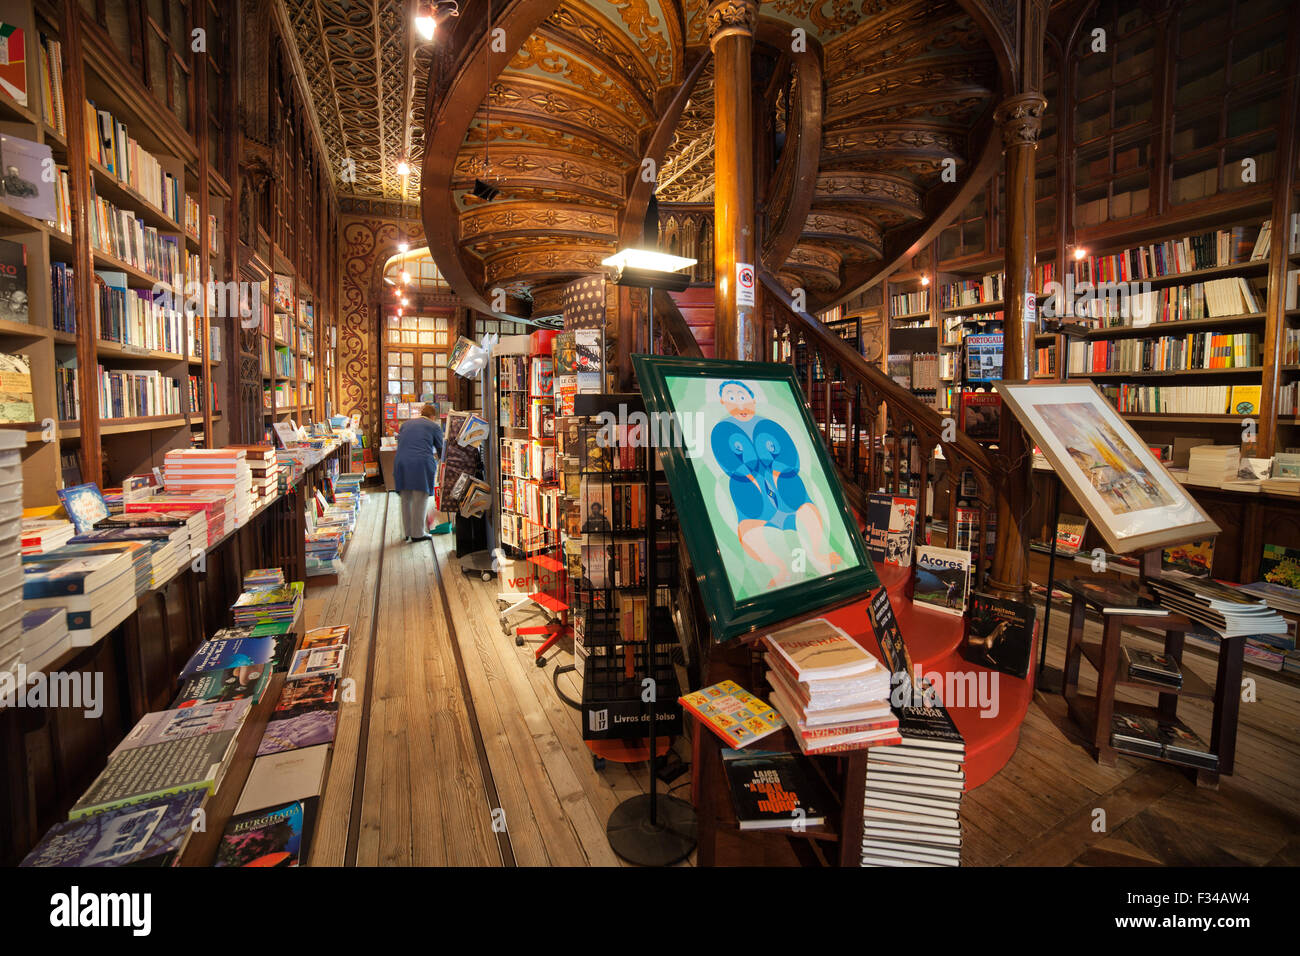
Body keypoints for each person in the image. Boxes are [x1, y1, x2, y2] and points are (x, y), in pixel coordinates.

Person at [709, 380, 841, 589]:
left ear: (753, 399)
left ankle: (817, 554)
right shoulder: (721, 430)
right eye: (731, 398)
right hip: (754, 500)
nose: (739, 404)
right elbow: (728, 462)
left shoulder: (770, 426)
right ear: (723, 402)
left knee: (806, 511)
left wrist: (778, 473)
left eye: (742, 397)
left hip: (787, 493)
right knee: (748, 531)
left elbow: (790, 457)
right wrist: (751, 477)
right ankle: (781, 569)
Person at [393, 403, 445, 542]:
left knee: (406, 498)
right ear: (433, 416)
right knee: (419, 497)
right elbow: (441, 450)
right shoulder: (434, 426)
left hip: (401, 462)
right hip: (420, 463)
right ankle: (418, 533)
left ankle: (408, 532)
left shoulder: (406, 424)